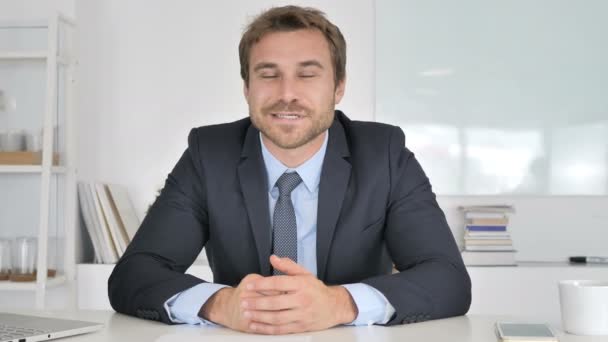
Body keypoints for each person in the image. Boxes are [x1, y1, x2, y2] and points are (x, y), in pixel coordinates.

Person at [108, 5, 471, 335]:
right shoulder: (209, 155)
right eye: (268, 75)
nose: (287, 94)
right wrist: (221, 304)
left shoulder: (384, 155)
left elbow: (448, 279)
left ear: (339, 86)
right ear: (247, 87)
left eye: (307, 75)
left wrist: (339, 303)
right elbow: (135, 274)